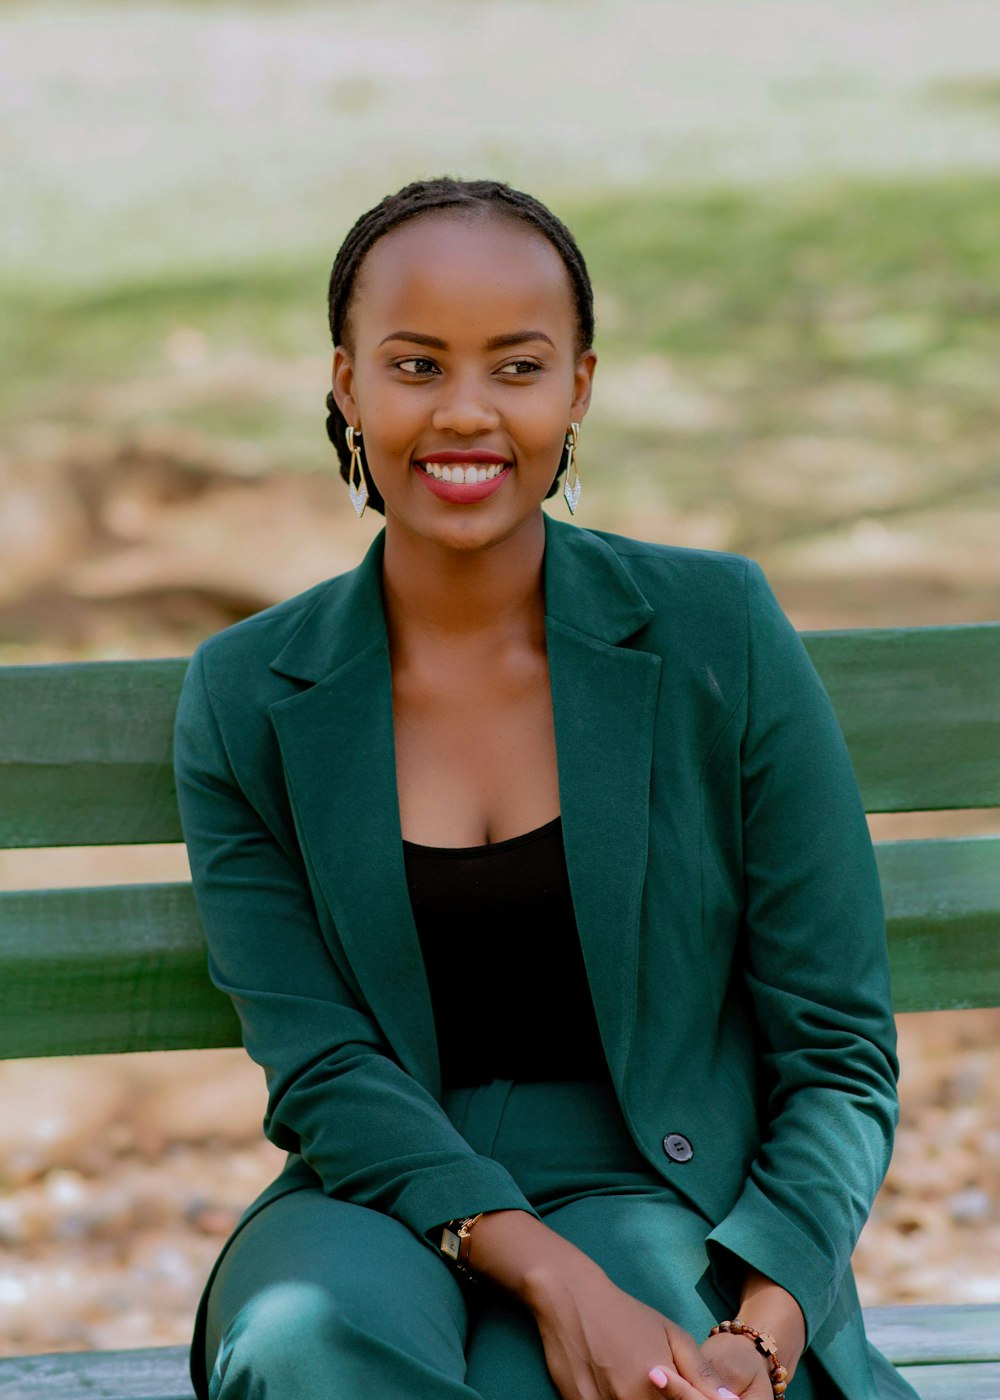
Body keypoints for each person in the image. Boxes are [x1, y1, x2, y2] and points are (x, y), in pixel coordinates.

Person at [173, 177, 917, 1400]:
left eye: (516, 368)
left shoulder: (714, 630)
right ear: (346, 385)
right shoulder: (250, 692)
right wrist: (550, 1272)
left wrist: (767, 1318)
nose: (465, 412)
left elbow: (835, 1045)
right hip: (379, 1186)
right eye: (415, 365)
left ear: (577, 387)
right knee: (305, 1347)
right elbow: (320, 1063)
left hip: (661, 1179)